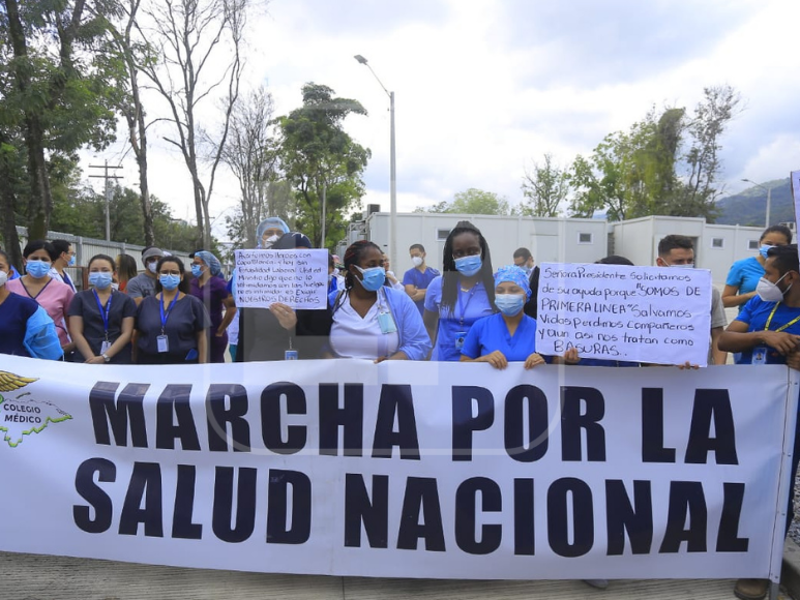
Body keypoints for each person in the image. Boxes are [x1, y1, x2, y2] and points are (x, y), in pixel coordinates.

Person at [718, 244, 800, 600]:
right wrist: (762, 336)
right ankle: (733, 551)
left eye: (768, 274)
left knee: (777, 488)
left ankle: (759, 569)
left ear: (789, 277)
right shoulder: (761, 305)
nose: (764, 280)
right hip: (747, 413)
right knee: (740, 484)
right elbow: (725, 339)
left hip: (789, 420)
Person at [326, 240, 431, 361]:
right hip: (340, 378)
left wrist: (391, 362)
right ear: (353, 269)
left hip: (387, 378)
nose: (379, 270)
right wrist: (330, 361)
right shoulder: (333, 302)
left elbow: (419, 343)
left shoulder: (400, 301)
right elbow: (317, 344)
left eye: (381, 264)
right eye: (371, 265)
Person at [236, 232, 331, 361]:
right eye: (291, 256)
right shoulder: (256, 291)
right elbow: (245, 340)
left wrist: (294, 327)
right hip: (260, 370)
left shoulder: (317, 296)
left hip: (303, 373)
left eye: (305, 257)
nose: (298, 262)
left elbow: (317, 346)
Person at [424, 221, 496, 361]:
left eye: (473, 251)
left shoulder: (495, 286)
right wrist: (427, 360)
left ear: (482, 252)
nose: (466, 257)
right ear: (451, 256)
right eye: (459, 253)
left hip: (483, 366)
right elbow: (428, 325)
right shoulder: (437, 285)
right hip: (443, 365)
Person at [656, 235, 727, 365]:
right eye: (679, 262)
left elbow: (718, 335)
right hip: (659, 373)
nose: (686, 265)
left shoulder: (710, 292)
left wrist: (718, 370)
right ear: (660, 263)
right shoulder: (646, 294)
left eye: (690, 261)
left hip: (700, 372)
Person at [460, 266, 545, 369]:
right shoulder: (481, 327)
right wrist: (483, 360)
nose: (506, 295)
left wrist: (542, 364)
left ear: (526, 294)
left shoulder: (540, 330)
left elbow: (555, 367)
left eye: (513, 290)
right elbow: (463, 364)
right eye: (500, 291)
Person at [134, 256, 210, 364]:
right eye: (164, 272)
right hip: (149, 363)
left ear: (182, 276)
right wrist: (133, 361)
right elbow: (137, 334)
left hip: (183, 364)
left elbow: (201, 337)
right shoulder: (146, 303)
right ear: (158, 276)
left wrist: (202, 365)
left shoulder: (194, 303)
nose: (169, 276)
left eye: (174, 272)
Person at [6, 240, 75, 354]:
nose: (39, 262)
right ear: (25, 260)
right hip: (15, 350)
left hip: (54, 351)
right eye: (34, 258)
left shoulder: (64, 290)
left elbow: (72, 324)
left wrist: (72, 346)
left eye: (44, 259)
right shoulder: (8, 287)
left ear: (52, 263)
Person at [68, 254, 136, 364]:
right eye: (94, 270)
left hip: (118, 358)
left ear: (114, 274)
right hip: (86, 359)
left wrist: (104, 357)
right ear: (88, 274)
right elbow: (76, 332)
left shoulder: (126, 300)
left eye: (104, 270)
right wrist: (91, 359)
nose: (99, 274)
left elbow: (127, 333)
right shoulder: (79, 298)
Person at [0, 250, 62, 360]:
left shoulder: (28, 308)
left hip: (14, 375)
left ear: (9, 273)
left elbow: (50, 354)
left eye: (0, 267)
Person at [723, 225, 792, 312]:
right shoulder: (741, 266)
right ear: (760, 243)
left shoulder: (792, 268)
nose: (773, 247)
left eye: (779, 245)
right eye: (768, 244)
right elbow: (724, 301)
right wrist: (750, 295)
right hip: (749, 321)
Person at [190, 250, 236, 363]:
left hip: (214, 333)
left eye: (197, 263)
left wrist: (220, 330)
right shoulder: (192, 283)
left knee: (214, 366)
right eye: (193, 263)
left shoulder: (219, 284)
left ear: (207, 265)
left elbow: (232, 308)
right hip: (194, 333)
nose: (193, 266)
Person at [402, 243, 440, 315]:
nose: (414, 258)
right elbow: (411, 293)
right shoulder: (409, 274)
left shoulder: (435, 273)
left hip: (434, 314)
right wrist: (431, 291)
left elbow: (441, 290)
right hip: (417, 313)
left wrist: (423, 294)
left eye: (416, 255)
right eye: (412, 256)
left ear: (424, 254)